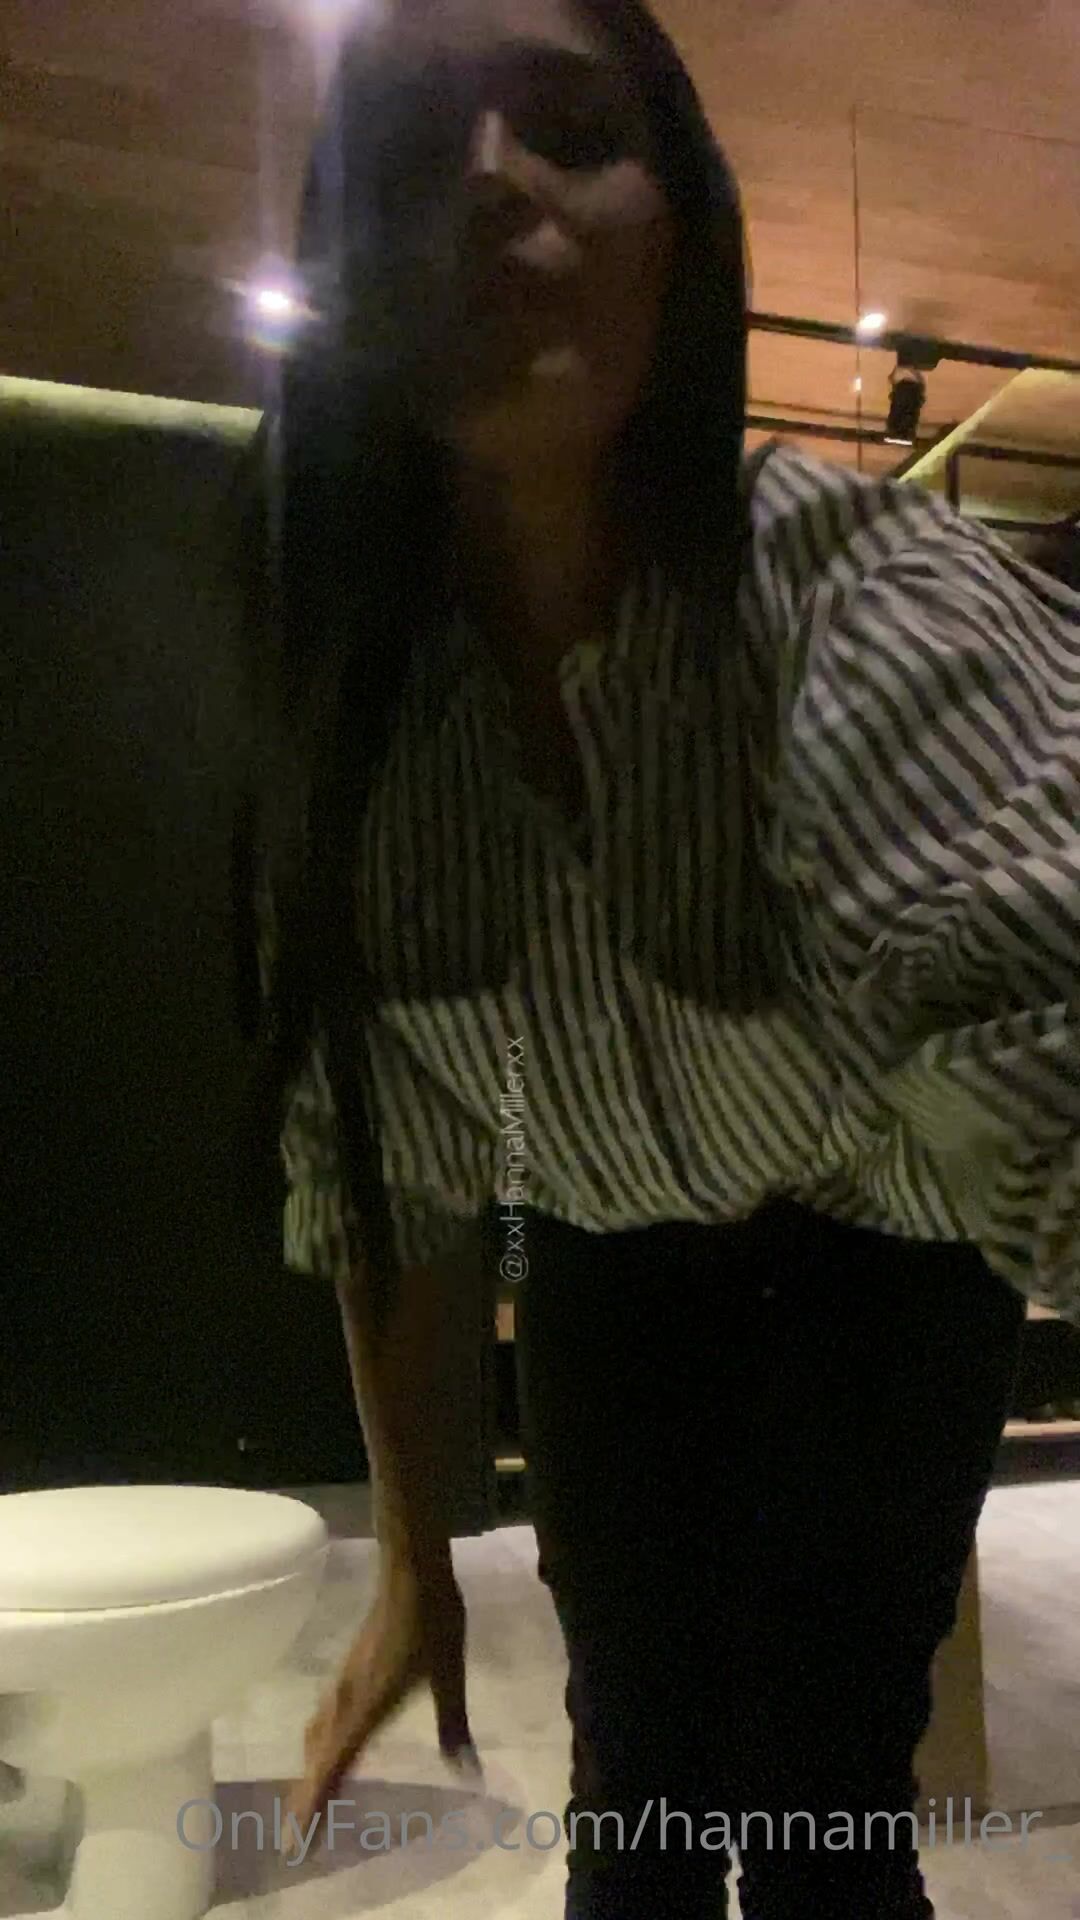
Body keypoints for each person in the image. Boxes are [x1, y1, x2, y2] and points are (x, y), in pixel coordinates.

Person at [234, 1, 1080, 1913]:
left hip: (889, 1242)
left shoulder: (869, 610)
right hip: (614, 1223)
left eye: (567, 123)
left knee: (823, 1783)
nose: (488, 180)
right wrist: (413, 1564)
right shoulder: (368, 698)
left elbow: (1045, 991)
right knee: (636, 1771)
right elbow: (395, 1171)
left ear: (682, 231)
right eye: (414, 143)